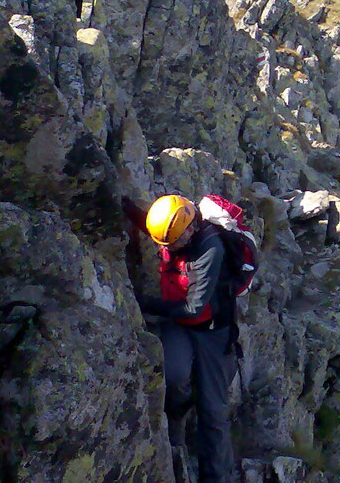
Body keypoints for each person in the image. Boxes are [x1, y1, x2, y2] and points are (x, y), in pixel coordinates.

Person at [124, 194, 238, 483]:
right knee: (173, 377)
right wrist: (123, 203)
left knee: (213, 413)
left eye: (172, 243)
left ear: (189, 230)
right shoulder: (171, 229)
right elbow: (153, 227)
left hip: (212, 331)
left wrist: (144, 303)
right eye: (163, 242)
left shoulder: (209, 248)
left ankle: (216, 478)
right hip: (179, 323)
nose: (167, 248)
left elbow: (194, 307)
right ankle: (177, 420)